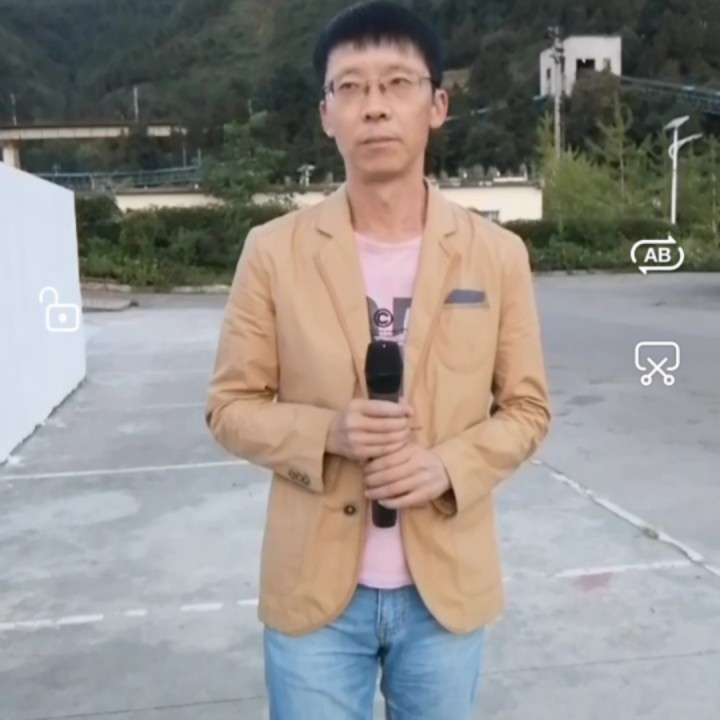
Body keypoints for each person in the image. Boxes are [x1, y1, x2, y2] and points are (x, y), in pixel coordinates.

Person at [206, 1, 551, 718]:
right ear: (326, 114)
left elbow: (526, 409)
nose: (375, 107)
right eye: (351, 87)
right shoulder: (273, 252)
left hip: (445, 592)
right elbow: (230, 406)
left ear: (437, 105)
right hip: (314, 598)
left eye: (397, 83)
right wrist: (329, 432)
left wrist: (447, 467)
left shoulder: (496, 255)